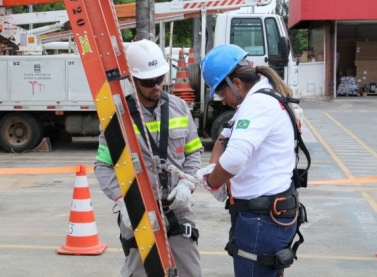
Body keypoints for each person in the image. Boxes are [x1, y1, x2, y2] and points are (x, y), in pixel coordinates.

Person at [94, 39, 203, 277]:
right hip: (139, 210)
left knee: (190, 273)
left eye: (160, 79)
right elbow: (103, 166)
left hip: (177, 208)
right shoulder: (118, 119)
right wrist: (121, 199)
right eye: (148, 81)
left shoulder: (180, 108)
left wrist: (187, 184)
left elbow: (194, 153)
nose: (156, 86)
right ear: (132, 81)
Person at [196, 44, 301, 277]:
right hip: (264, 218)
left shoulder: (258, 105)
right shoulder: (255, 101)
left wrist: (212, 182)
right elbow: (224, 139)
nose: (223, 101)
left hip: (261, 222)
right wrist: (213, 170)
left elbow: (233, 160)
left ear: (237, 84)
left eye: (222, 93)